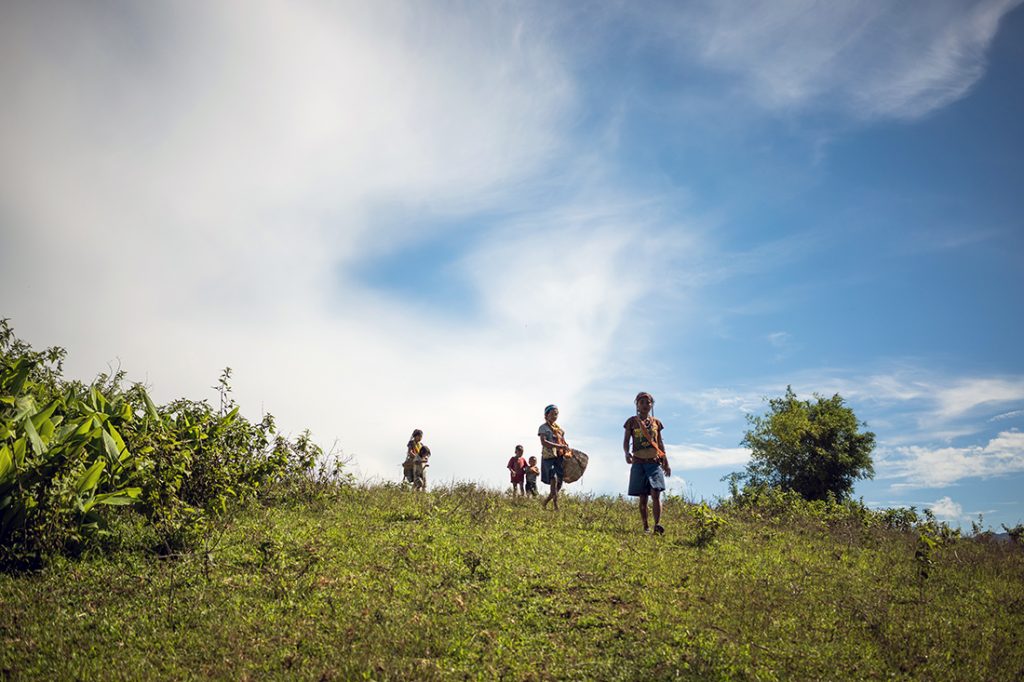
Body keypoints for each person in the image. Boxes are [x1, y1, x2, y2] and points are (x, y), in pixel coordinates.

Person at [624, 392, 669, 534]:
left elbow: (660, 442)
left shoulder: (656, 423)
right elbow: (626, 441)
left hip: (654, 462)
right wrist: (626, 453)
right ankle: (646, 527)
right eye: (641, 402)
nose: (645, 405)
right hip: (638, 461)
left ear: (652, 405)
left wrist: (665, 460)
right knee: (643, 496)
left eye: (647, 402)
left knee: (655, 493)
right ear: (637, 405)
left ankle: (657, 524)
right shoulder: (631, 422)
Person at [539, 404, 573, 510]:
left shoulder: (559, 430)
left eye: (556, 414)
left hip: (559, 457)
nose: (555, 416)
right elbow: (544, 442)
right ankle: (555, 505)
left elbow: (563, 442)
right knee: (553, 478)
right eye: (552, 414)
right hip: (549, 457)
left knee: (559, 482)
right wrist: (559, 446)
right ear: (547, 415)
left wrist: (566, 448)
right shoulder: (543, 428)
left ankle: (545, 502)